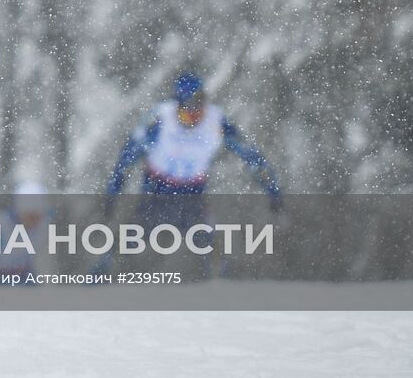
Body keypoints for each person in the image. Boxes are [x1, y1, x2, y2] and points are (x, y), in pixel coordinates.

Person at [98, 72, 281, 274]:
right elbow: (128, 156)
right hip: (156, 191)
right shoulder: (161, 119)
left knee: (210, 244)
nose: (193, 118)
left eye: (198, 111)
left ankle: (223, 290)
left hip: (192, 193)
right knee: (128, 239)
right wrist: (113, 193)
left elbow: (249, 154)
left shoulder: (215, 121)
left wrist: (272, 188)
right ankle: (97, 281)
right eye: (187, 113)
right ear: (177, 106)